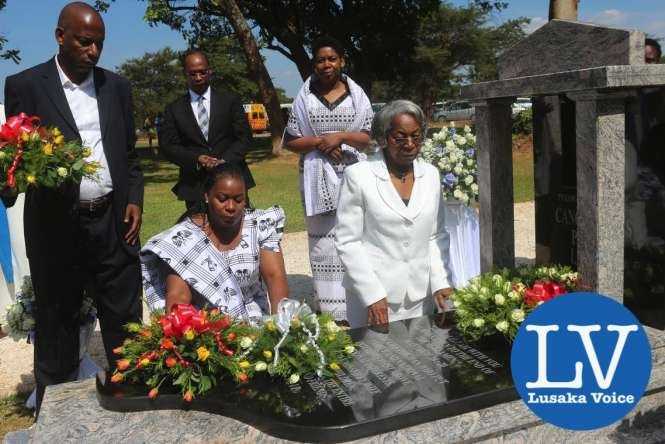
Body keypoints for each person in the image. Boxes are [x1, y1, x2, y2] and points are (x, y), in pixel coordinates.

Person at [2, 2, 144, 413]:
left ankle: (131, 399)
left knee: (125, 318)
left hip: (113, 224)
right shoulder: (24, 85)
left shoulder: (117, 87)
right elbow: (15, 155)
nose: (94, 51)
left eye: (99, 43)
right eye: (85, 42)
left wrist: (133, 199)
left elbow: (131, 158)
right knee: (56, 322)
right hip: (55, 227)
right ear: (60, 36)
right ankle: (56, 412)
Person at [335, 100, 453, 328]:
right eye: (400, 137)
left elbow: (436, 235)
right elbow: (348, 241)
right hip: (375, 296)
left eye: (416, 136)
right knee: (374, 360)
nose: (410, 144)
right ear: (382, 138)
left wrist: (441, 282)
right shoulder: (358, 176)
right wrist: (372, 294)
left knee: (421, 360)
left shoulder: (431, 175)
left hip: (420, 295)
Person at [284, 36, 373, 322]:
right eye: (321, 60)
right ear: (315, 64)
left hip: (353, 175)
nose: (326, 64)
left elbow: (368, 139)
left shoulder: (357, 95)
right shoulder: (305, 96)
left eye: (332, 59)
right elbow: (291, 141)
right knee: (323, 242)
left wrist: (341, 137)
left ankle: (359, 303)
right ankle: (331, 308)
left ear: (342, 61)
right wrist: (321, 143)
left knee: (355, 235)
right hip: (316, 177)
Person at [141, 163, 288, 321]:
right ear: (206, 196)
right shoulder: (184, 239)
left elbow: (275, 277)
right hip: (204, 327)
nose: (231, 207)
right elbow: (178, 296)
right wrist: (184, 336)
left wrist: (281, 326)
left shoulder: (260, 225)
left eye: (239, 200)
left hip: (255, 319)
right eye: (222, 199)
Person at [158, 49, 255, 211]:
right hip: (195, 186)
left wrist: (224, 161)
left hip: (232, 181)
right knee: (200, 235)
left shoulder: (230, 100)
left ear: (210, 71)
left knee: (238, 232)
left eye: (202, 72)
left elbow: (245, 138)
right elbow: (168, 146)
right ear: (185, 74)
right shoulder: (174, 109)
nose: (198, 77)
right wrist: (197, 159)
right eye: (192, 73)